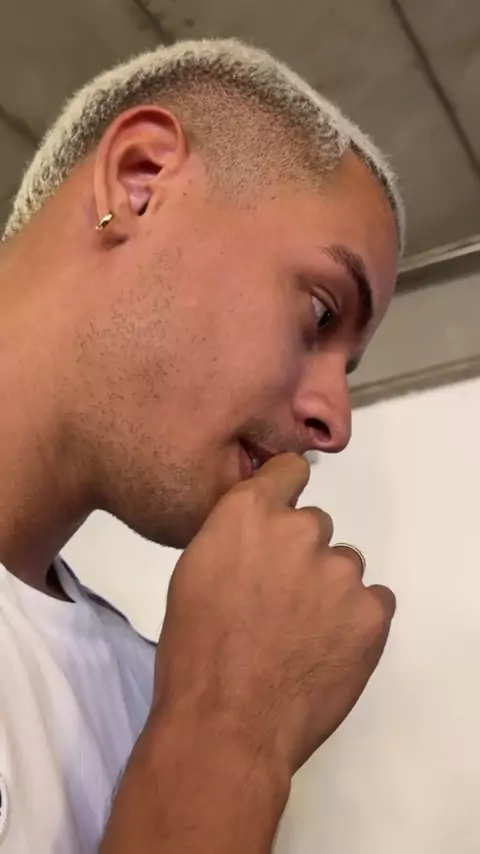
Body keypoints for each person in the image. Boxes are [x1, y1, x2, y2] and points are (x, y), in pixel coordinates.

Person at [0, 37, 403, 854]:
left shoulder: (145, 693)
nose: (336, 422)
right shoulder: (196, 712)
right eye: (321, 313)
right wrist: (228, 738)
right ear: (140, 181)